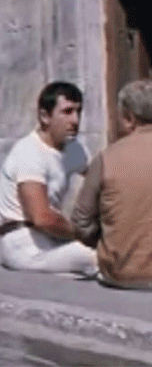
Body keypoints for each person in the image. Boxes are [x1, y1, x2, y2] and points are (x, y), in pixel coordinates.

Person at [0, 81, 97, 275]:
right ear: (44, 116)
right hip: (23, 243)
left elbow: (100, 179)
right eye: (67, 112)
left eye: (78, 112)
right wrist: (84, 234)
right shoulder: (29, 153)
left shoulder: (74, 149)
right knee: (96, 257)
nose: (75, 120)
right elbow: (41, 218)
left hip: (51, 238)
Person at [72, 79, 152, 289]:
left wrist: (111, 240)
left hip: (120, 274)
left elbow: (81, 223)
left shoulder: (106, 158)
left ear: (129, 119)